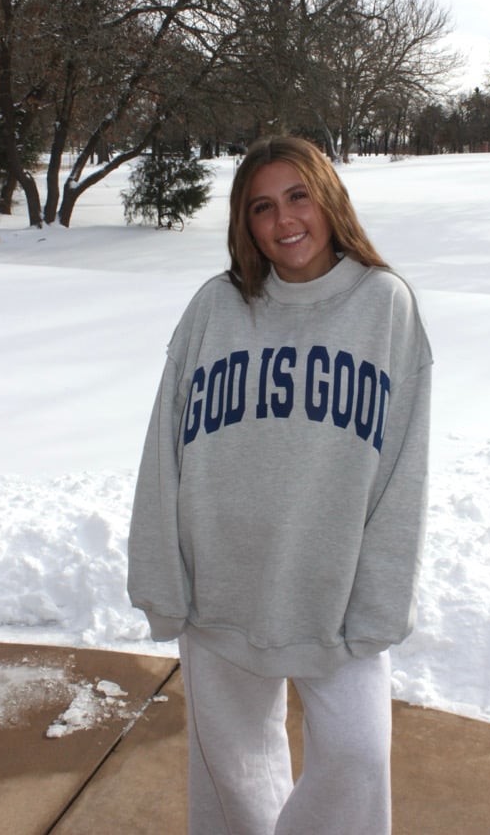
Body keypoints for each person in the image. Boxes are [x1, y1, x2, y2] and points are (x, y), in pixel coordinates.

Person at [128, 135, 432, 835]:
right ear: (245, 222)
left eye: (298, 196)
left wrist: (382, 597)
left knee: (355, 758)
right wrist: (161, 576)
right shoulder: (216, 307)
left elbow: (403, 468)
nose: (284, 219)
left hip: (332, 594)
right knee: (232, 775)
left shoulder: (383, 304)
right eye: (261, 206)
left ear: (329, 200)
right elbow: (164, 450)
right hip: (219, 589)